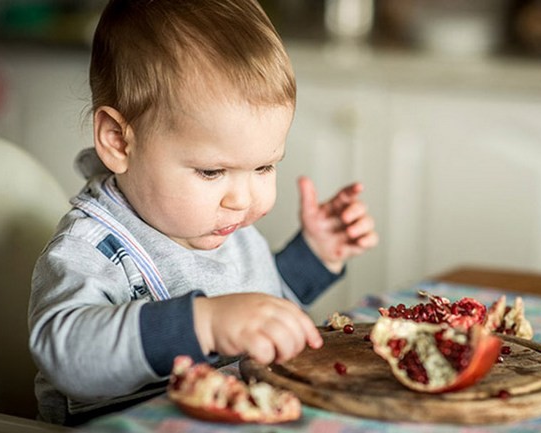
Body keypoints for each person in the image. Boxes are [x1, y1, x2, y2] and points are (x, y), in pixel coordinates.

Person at [28, 0, 378, 426]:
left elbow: (256, 302)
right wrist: (202, 325)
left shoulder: (215, 218)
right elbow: (66, 353)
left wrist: (316, 255)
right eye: (212, 171)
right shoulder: (91, 247)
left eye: (265, 167)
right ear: (119, 141)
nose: (243, 199)